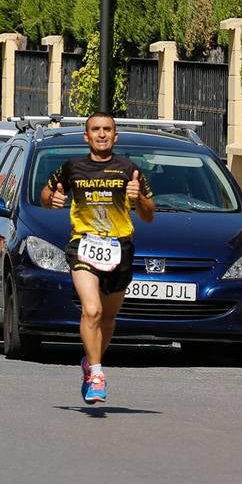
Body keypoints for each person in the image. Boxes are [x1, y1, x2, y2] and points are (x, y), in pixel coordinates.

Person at [39, 112, 155, 404]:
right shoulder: (72, 167)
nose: (101, 134)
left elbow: (149, 214)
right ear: (86, 136)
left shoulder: (129, 169)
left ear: (115, 136)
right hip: (83, 245)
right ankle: (97, 374)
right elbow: (46, 194)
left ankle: (89, 363)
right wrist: (52, 200)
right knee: (92, 310)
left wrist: (138, 197)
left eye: (107, 130)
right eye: (95, 129)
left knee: (107, 318)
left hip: (119, 247)